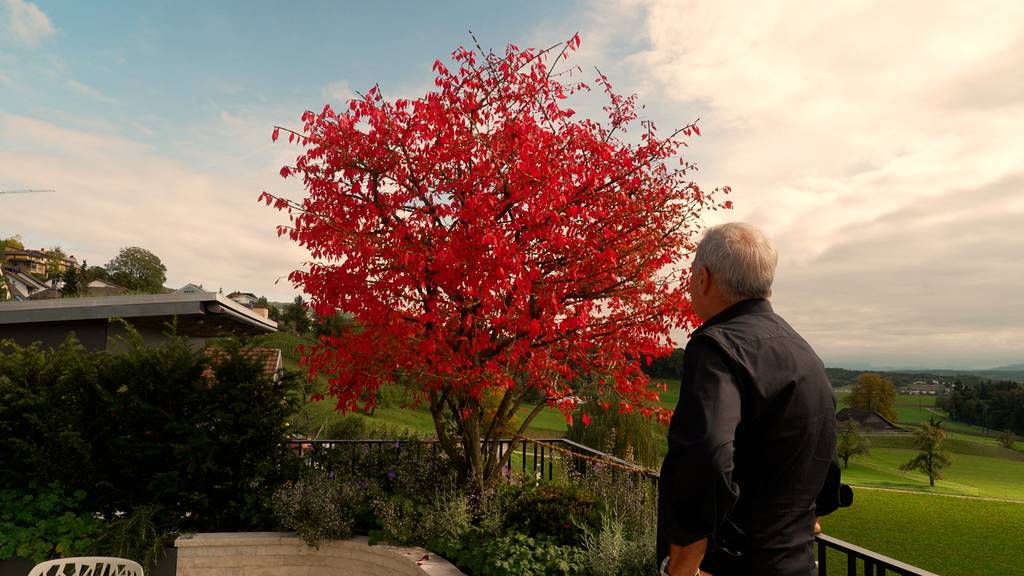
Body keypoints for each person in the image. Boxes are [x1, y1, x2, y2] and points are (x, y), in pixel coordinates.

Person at [657, 222, 838, 576]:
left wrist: (684, 564)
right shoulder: (803, 351)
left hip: (734, 562)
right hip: (798, 561)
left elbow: (706, 454)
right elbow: (825, 441)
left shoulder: (716, 347)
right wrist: (811, 513)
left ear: (703, 279)